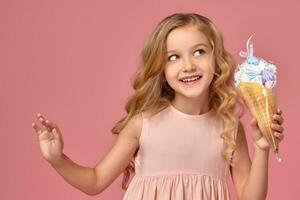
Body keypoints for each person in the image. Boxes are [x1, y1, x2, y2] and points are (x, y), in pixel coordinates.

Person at [32, 13, 285, 200]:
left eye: (199, 52)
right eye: (173, 57)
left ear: (217, 59)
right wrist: (58, 159)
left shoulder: (229, 128)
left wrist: (262, 149)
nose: (188, 65)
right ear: (161, 70)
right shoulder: (143, 124)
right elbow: (95, 181)